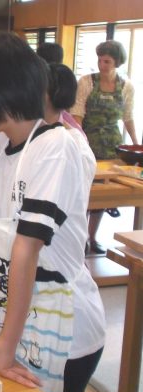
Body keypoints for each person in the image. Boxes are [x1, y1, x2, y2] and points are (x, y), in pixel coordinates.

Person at [0, 33, 105, 392]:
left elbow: (26, 248)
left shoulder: (55, 147)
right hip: (15, 320)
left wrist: (8, 341)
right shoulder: (1, 143)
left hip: (62, 330)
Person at [71, 40, 138, 255]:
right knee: (84, 193)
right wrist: (79, 140)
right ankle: (79, 238)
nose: (102, 64)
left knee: (104, 195)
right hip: (88, 139)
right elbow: (77, 113)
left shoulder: (126, 86)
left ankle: (92, 236)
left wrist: (136, 142)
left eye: (107, 61)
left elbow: (128, 116)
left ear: (117, 62)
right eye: (100, 60)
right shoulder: (86, 82)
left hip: (111, 143)